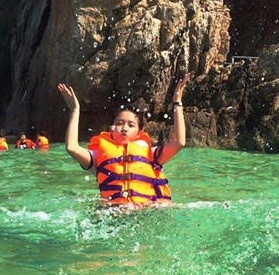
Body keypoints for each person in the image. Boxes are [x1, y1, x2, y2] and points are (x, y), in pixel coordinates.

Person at [57, 74, 189, 205]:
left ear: (139, 132)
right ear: (111, 128)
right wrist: (75, 110)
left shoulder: (152, 155)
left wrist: (177, 103)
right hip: (113, 211)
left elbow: (179, 142)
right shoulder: (97, 157)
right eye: (119, 123)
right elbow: (72, 148)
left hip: (146, 210)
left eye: (131, 125)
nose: (124, 128)